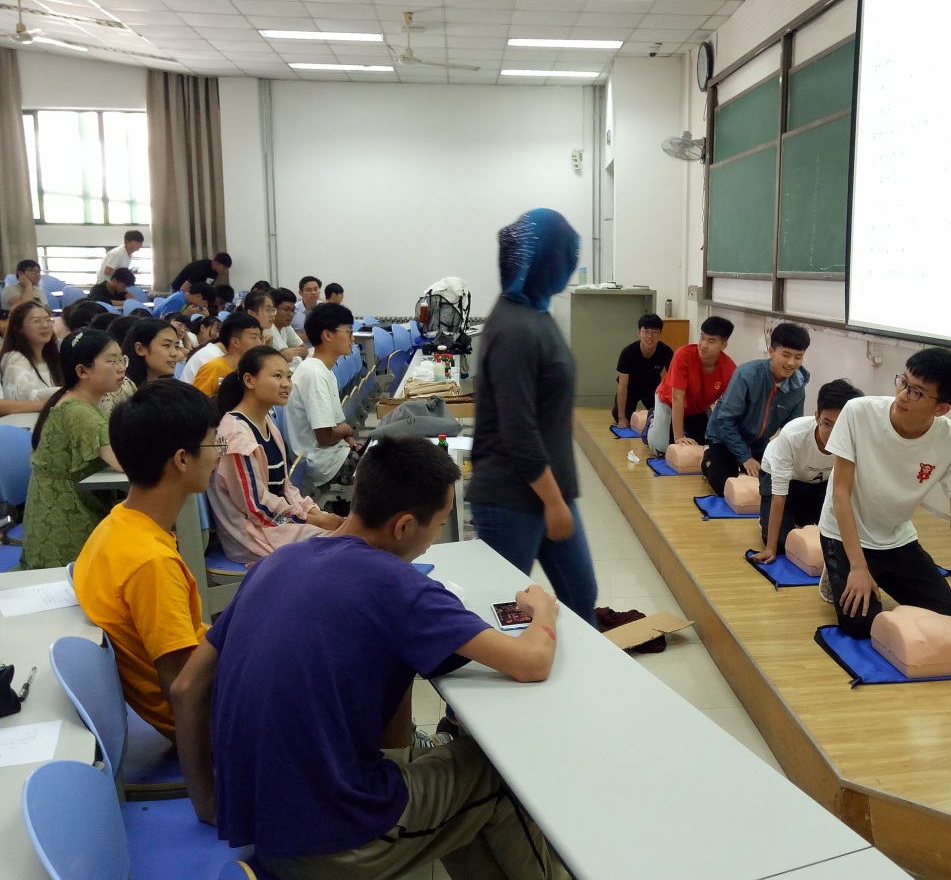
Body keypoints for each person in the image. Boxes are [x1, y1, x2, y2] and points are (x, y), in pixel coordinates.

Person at [171, 433, 569, 880]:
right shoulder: (399, 586)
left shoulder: (273, 565)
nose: (433, 541)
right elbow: (532, 661)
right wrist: (542, 609)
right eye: (438, 526)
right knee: (498, 777)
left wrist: (208, 807)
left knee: (455, 788)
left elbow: (186, 688)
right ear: (404, 526)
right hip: (333, 845)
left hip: (261, 826)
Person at [468, 209, 598, 626]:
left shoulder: (536, 312)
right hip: (513, 495)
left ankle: (580, 668)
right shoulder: (515, 329)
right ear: (545, 260)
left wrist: (558, 498)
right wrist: (554, 503)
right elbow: (518, 431)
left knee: (581, 595)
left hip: (548, 489)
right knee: (504, 615)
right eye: (565, 256)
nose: (570, 266)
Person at [74, 379, 222, 741]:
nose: (219, 454)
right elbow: (185, 689)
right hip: (212, 723)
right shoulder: (152, 564)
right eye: (214, 443)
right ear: (182, 459)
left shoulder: (114, 526)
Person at [819, 347, 951, 639]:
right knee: (861, 625)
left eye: (917, 392)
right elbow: (840, 494)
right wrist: (857, 567)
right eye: (903, 382)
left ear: (941, 408)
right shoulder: (858, 412)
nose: (903, 395)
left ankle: (872, 573)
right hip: (843, 534)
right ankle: (838, 572)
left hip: (896, 539)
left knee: (947, 615)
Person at [210, 346, 343, 565]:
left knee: (349, 534)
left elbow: (285, 487)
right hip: (252, 535)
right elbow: (256, 508)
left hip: (274, 523)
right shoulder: (235, 437)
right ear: (249, 380)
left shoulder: (267, 422)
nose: (286, 384)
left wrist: (314, 513)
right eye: (277, 376)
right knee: (345, 545)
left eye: (288, 376)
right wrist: (311, 521)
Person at [18, 330, 127, 570]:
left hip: (63, 506)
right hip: (65, 520)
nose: (121, 368)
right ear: (82, 371)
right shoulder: (77, 412)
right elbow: (124, 463)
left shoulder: (79, 402)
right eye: (112, 361)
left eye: (122, 359)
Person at [754, 379, 864, 570]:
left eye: (841, 425)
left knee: (833, 539)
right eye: (827, 423)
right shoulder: (792, 435)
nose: (833, 433)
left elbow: (852, 493)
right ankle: (768, 519)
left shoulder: (857, 439)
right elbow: (779, 495)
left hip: (820, 483)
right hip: (784, 478)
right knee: (781, 544)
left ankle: (801, 513)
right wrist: (770, 548)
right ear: (817, 417)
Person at [701, 322, 812, 496]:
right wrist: (745, 458)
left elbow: (792, 432)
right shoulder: (746, 374)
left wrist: (791, 464)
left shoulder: (797, 387)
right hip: (723, 439)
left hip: (758, 444)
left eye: (798, 357)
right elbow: (725, 420)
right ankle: (708, 459)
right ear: (771, 351)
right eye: (786, 355)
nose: (791, 363)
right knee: (725, 486)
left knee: (779, 488)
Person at [285, 302, 357, 490]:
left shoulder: (323, 370)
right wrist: (346, 430)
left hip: (336, 453)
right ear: (327, 335)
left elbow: (337, 423)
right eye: (348, 331)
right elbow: (325, 437)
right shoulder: (314, 374)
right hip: (324, 463)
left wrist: (352, 442)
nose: (353, 338)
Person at [645, 316, 736, 457]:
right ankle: (652, 418)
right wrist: (679, 437)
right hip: (669, 401)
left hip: (697, 408)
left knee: (707, 446)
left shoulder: (729, 368)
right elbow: (677, 397)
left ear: (723, 346)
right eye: (702, 338)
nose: (703, 345)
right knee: (662, 449)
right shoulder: (683, 355)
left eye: (711, 341)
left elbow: (729, 407)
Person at [100, 319, 183, 414]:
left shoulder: (168, 389)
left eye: (176, 346)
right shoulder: (119, 389)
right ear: (140, 349)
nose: (175, 353)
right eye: (167, 345)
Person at [612, 313, 673, 428]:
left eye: (655, 332)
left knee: (662, 416)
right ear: (639, 332)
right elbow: (622, 386)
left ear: (660, 334)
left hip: (652, 388)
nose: (650, 336)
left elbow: (674, 380)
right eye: (646, 332)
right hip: (631, 388)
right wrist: (621, 417)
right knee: (620, 415)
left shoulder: (666, 351)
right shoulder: (628, 353)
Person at [0, 301, 62, 402]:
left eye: (48, 319)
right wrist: (68, 392)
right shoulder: (15, 358)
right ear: (19, 328)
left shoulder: (51, 356)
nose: (45, 325)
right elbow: (27, 396)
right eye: (36, 321)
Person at [192, 313, 265, 397]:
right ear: (235, 342)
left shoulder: (250, 369)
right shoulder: (214, 367)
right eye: (253, 337)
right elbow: (197, 401)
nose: (259, 343)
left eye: (260, 338)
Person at [269, 287, 309, 361]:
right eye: (287, 309)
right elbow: (286, 355)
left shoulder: (286, 326)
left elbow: (305, 350)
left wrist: (289, 353)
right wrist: (288, 353)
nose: (291, 314)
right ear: (274, 309)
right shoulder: (269, 328)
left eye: (293, 310)